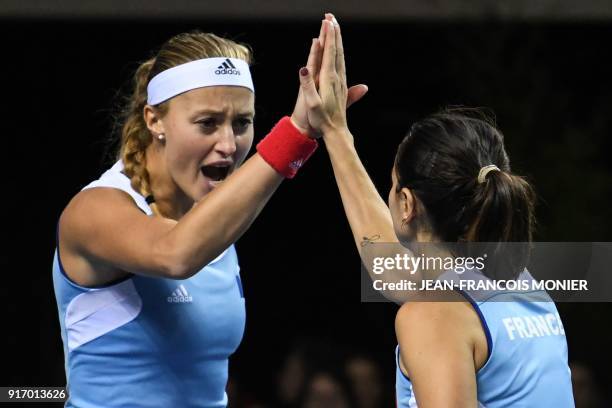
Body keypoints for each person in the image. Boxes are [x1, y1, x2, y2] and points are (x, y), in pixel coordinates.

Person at [52, 25, 366, 407]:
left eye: (242, 123)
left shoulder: (213, 215)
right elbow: (174, 253)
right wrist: (297, 132)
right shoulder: (94, 210)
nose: (229, 145)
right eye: (207, 123)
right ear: (154, 121)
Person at [299, 14, 575, 407]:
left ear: (407, 204)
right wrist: (335, 132)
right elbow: (390, 262)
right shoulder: (521, 285)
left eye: (393, 186)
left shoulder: (433, 316)